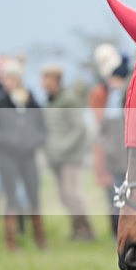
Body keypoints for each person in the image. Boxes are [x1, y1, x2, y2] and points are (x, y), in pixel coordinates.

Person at [0, 57, 47, 250]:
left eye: (11, 78)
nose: (7, 82)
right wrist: (4, 140)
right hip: (6, 157)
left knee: (34, 196)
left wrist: (33, 142)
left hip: (27, 156)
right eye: (5, 78)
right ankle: (11, 241)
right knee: (11, 196)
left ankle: (40, 238)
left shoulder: (30, 100)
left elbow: (42, 128)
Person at [41, 63, 95, 241]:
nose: (43, 83)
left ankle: (86, 230)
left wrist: (62, 147)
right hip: (55, 157)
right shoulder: (50, 100)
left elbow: (79, 128)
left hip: (70, 156)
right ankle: (76, 228)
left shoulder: (68, 99)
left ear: (55, 80)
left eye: (46, 79)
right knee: (63, 196)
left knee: (72, 193)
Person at [89, 43, 130, 237]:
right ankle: (118, 232)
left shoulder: (123, 97)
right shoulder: (105, 97)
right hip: (114, 156)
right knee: (115, 196)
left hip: (126, 156)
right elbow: (102, 129)